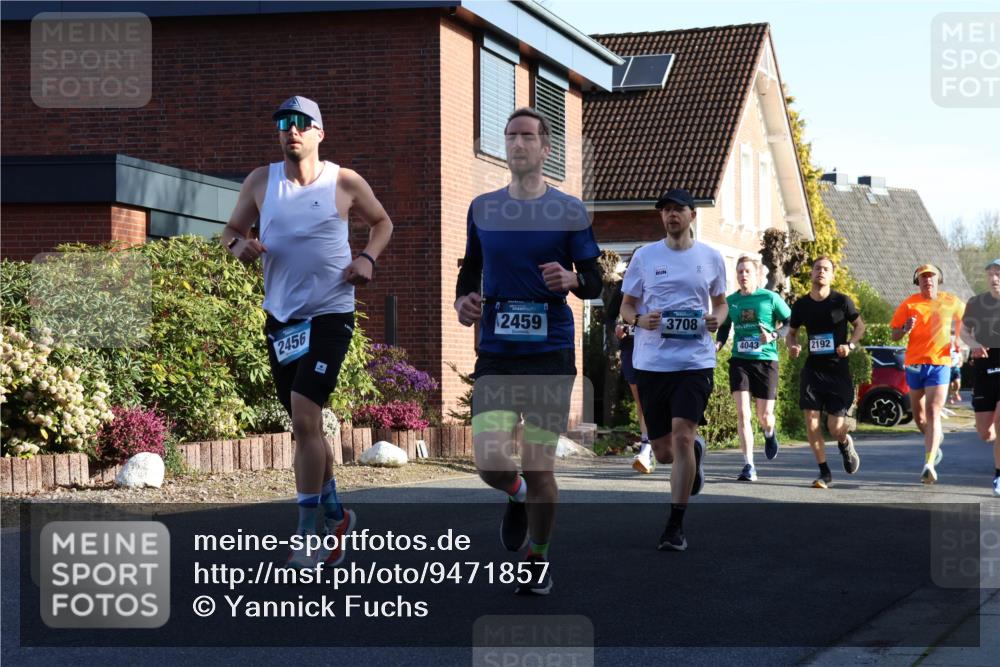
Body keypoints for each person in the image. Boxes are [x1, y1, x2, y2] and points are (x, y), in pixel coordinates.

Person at [222, 96, 393, 568]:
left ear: (319, 132)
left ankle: (306, 533)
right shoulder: (261, 181)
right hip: (282, 318)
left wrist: (366, 258)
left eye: (301, 123)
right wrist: (239, 245)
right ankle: (337, 513)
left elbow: (382, 222)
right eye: (283, 123)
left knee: (302, 416)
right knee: (308, 426)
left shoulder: (344, 181)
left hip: (330, 314)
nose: (291, 131)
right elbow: (231, 230)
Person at [455, 107, 603, 595]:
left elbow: (596, 280)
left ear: (545, 149)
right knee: (490, 462)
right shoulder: (483, 208)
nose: (517, 144)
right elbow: (470, 266)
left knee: (540, 466)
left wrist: (574, 278)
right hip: (497, 350)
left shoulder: (569, 210)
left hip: (550, 353)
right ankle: (515, 496)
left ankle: (538, 560)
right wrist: (464, 299)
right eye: (510, 136)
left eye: (527, 137)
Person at [618, 188, 727, 551]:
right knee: (664, 452)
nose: (671, 215)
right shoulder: (645, 257)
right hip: (652, 363)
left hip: (695, 361)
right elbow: (627, 305)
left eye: (677, 209)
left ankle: (675, 525)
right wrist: (639, 321)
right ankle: (694, 450)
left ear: (692, 215)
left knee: (681, 434)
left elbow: (721, 303)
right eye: (665, 210)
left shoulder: (711, 257)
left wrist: (717, 320)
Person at [786, 257, 865, 489]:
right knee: (811, 421)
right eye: (818, 268)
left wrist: (849, 345)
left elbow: (860, 326)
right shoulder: (801, 305)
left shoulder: (842, 301)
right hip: (813, 370)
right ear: (811, 274)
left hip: (837, 371)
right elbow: (791, 333)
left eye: (826, 269)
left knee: (835, 427)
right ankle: (825, 472)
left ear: (832, 276)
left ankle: (844, 442)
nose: (821, 272)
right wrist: (792, 345)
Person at [715, 256, 791, 481]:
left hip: (766, 361)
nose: (743, 275)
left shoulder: (770, 298)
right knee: (743, 413)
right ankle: (749, 465)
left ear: (757, 274)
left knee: (765, 415)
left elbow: (789, 323)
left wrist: (774, 335)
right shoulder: (731, 301)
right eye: (739, 272)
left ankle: (769, 432)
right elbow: (725, 327)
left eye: (747, 271)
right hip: (740, 361)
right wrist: (719, 343)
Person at [890, 264, 965, 484]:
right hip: (914, 364)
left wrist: (958, 340)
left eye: (931, 277)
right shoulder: (909, 303)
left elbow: (969, 319)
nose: (927, 281)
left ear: (938, 280)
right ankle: (934, 441)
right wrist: (905, 328)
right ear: (918, 282)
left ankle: (929, 464)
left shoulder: (950, 301)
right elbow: (894, 334)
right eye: (923, 278)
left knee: (933, 411)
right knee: (919, 417)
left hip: (939, 363)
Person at [605, 252, 653, 473]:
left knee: (660, 400)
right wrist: (617, 329)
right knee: (642, 401)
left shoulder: (662, 284)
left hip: (658, 349)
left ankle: (672, 441)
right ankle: (645, 449)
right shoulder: (624, 286)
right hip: (631, 349)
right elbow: (610, 317)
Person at [959, 259, 1000, 496]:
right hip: (984, 370)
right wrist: (974, 345)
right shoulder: (976, 303)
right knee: (985, 433)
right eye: (991, 274)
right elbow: (964, 331)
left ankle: (998, 475)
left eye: (998, 274)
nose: (994, 278)